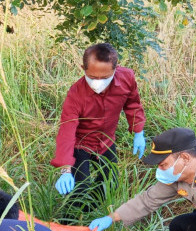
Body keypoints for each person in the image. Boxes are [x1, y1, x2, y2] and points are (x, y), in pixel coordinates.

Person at [51, 43, 146, 205]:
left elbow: (133, 104)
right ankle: (71, 219)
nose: (98, 83)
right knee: (81, 187)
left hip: (106, 141)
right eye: (93, 78)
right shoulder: (75, 94)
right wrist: (66, 169)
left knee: (110, 182)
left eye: (105, 78)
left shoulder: (126, 78)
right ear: (83, 68)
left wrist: (139, 132)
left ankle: (92, 212)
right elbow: (67, 131)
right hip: (81, 144)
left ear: (115, 69)